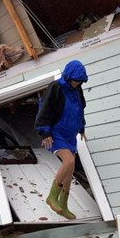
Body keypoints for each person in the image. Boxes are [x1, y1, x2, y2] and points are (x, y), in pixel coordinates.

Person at [35, 60, 88, 220]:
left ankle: (64, 205)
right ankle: (52, 197)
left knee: (70, 171)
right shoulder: (56, 87)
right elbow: (44, 108)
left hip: (70, 134)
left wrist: (81, 128)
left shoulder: (77, 89)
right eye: (75, 80)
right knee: (69, 162)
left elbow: (80, 110)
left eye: (80, 81)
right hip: (56, 132)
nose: (76, 83)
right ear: (68, 76)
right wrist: (44, 132)